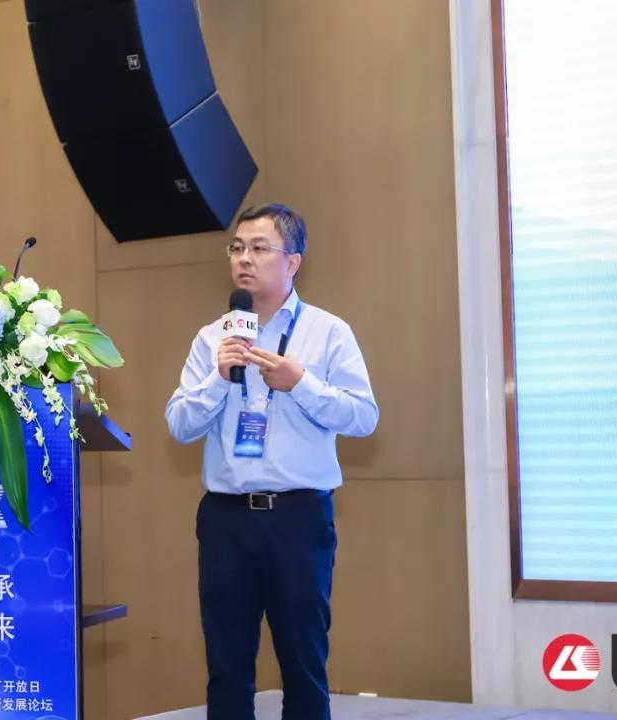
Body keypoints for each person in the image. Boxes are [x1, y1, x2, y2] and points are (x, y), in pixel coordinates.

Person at [165, 203, 379, 720]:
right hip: (226, 520)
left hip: (298, 518)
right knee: (227, 666)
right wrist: (219, 378)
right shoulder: (212, 338)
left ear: (293, 261)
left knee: (304, 664)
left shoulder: (328, 332)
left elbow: (364, 416)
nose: (244, 259)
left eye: (259, 248)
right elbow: (178, 423)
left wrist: (301, 383)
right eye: (237, 248)